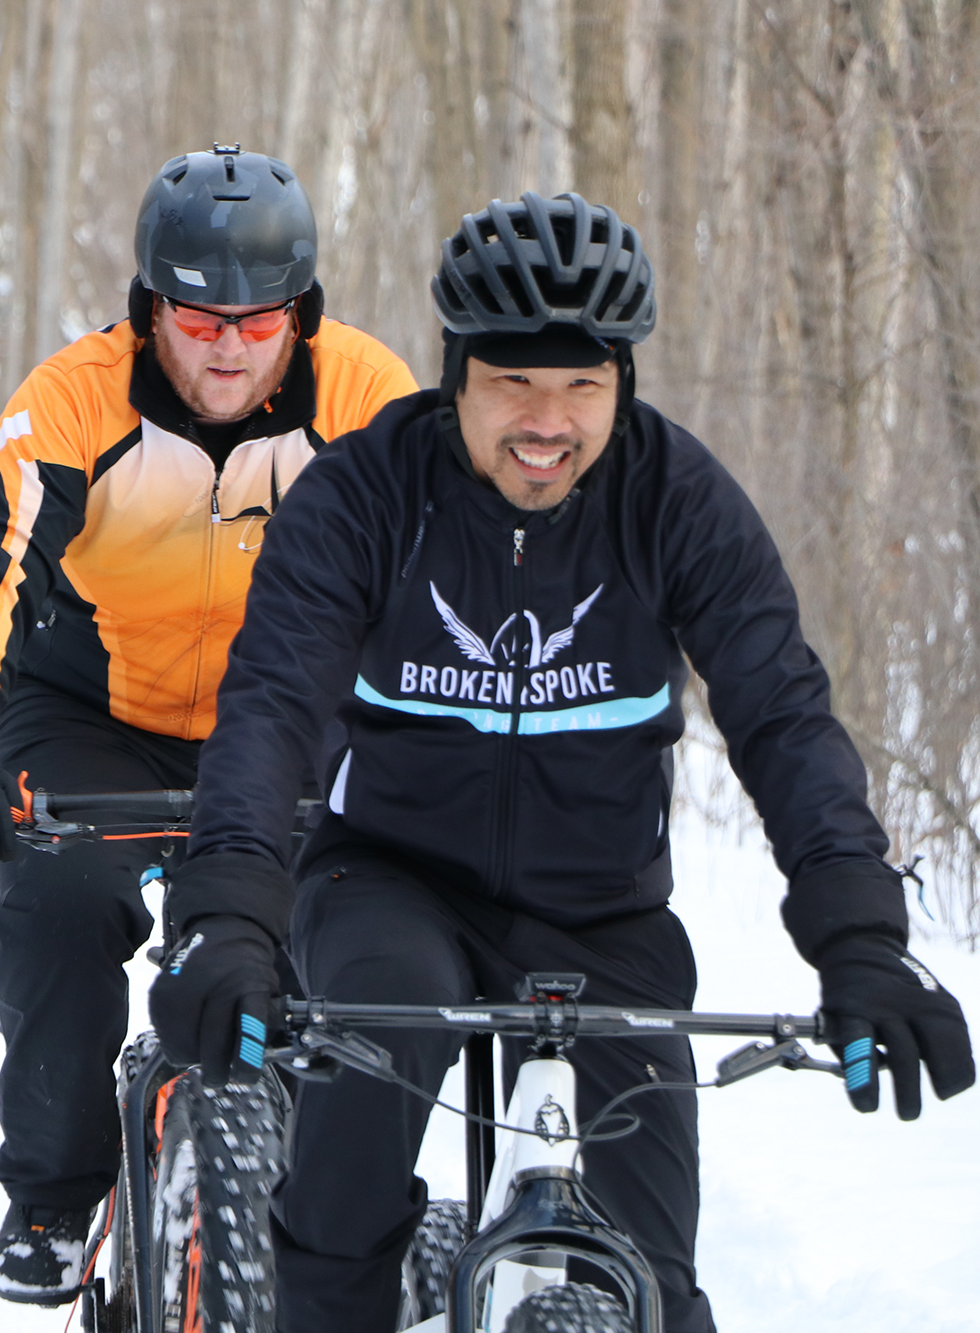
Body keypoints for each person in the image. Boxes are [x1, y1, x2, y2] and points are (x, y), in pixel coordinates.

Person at [148, 191, 976, 1332]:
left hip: (601, 910)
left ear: (620, 385)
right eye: (512, 387)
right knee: (345, 1167)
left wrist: (861, 939)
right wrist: (227, 911)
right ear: (455, 381)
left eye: (580, 386)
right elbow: (271, 702)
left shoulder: (675, 500)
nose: (547, 422)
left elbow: (780, 716)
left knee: (660, 1282)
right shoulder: (363, 493)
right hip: (387, 878)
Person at [0, 145, 419, 1304]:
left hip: (279, 717)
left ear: (300, 310)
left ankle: (329, 1193)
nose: (228, 344)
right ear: (152, 308)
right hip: (92, 705)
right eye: (198, 316)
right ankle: (52, 1190)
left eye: (259, 317)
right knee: (58, 900)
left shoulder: (366, 399)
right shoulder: (73, 399)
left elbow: (441, 579)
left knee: (347, 920)